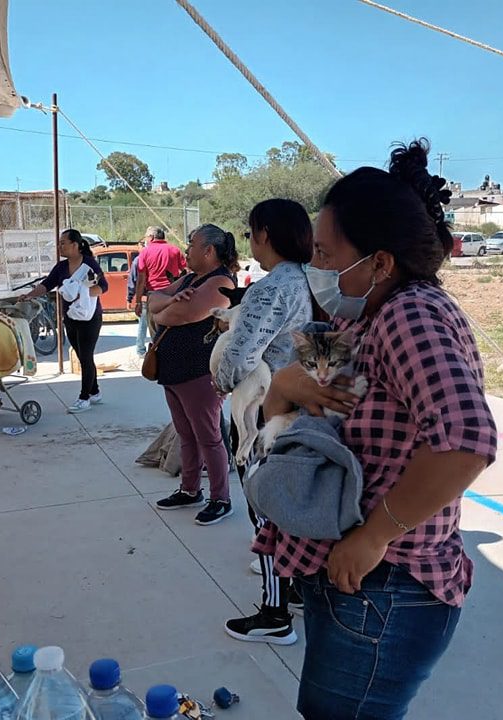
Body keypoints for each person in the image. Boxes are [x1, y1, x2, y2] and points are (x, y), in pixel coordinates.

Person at [256, 140, 498, 719]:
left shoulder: (411, 313)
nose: (316, 268)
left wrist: (372, 537)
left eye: (325, 252)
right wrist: (281, 387)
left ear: (380, 262)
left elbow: (467, 440)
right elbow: (282, 421)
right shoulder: (359, 318)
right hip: (357, 582)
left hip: (384, 585)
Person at [212, 199, 315, 646]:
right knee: (288, 510)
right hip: (297, 411)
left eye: (253, 231)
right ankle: (296, 591)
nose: (251, 239)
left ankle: (274, 613)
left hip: (260, 414)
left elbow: (239, 356)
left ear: (266, 234)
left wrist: (219, 379)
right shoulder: (312, 281)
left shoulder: (271, 288)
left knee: (264, 515)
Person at [151, 224, 237, 526]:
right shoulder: (190, 279)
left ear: (209, 250)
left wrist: (165, 310)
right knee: (186, 434)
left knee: (209, 438)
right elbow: (153, 299)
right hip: (174, 371)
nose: (186, 250)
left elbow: (183, 315)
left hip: (199, 372)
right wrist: (169, 302)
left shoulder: (220, 281)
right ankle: (190, 490)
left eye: (191, 245)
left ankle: (221, 498)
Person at [19, 229, 108, 413]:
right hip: (70, 316)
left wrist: (81, 294)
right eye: (59, 243)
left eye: (63, 243)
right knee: (81, 354)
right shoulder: (61, 267)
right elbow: (47, 284)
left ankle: (84, 398)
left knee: (85, 355)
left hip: (90, 316)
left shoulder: (89, 264)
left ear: (75, 245)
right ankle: (95, 391)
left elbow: (103, 286)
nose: (60, 246)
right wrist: (29, 295)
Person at [133, 226, 185, 342]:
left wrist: (138, 302)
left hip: (153, 297)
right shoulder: (175, 250)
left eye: (146, 237)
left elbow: (141, 280)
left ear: (151, 237)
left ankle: (157, 357)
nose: (145, 240)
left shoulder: (145, 253)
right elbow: (187, 271)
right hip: (172, 296)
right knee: (171, 332)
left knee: (155, 336)